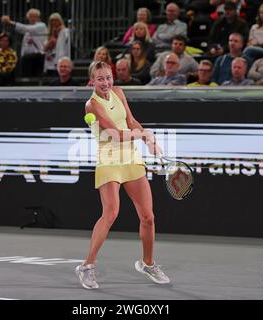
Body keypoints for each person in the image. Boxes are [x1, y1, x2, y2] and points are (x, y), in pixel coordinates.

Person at [76, 60, 170, 289]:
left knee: (148, 216)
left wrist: (148, 139)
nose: (105, 82)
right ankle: (87, 266)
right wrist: (143, 135)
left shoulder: (119, 92)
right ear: (92, 81)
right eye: (100, 79)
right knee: (111, 213)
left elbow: (130, 121)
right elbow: (116, 134)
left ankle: (148, 263)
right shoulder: (92, 105)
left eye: (108, 77)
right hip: (109, 160)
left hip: (131, 158)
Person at [1, 8, 47, 77]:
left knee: (36, 79)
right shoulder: (28, 29)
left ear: (38, 17)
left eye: (34, 16)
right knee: (27, 77)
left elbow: (25, 28)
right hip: (27, 58)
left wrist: (10, 22)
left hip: (38, 57)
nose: (32, 18)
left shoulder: (41, 26)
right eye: (30, 17)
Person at [43, 12, 71, 77]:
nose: (54, 22)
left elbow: (67, 39)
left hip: (60, 59)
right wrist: (50, 43)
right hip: (50, 60)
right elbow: (44, 48)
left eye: (56, 20)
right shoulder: (49, 32)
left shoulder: (64, 31)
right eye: (52, 20)